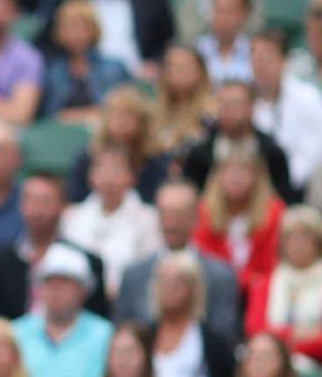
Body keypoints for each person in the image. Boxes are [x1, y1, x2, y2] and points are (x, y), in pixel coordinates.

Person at [118, 181, 242, 345]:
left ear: (195, 217)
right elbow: (122, 333)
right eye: (164, 214)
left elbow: (225, 336)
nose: (170, 224)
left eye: (179, 215)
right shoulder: (134, 275)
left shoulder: (220, 276)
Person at [0, 173, 113, 321]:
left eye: (45, 201)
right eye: (30, 199)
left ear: (63, 206)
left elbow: (98, 320)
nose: (36, 208)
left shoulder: (87, 262)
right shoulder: (0, 261)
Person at [61, 145, 160, 298]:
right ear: (90, 175)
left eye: (116, 168)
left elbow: (147, 271)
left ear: (132, 176)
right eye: (100, 167)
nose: (108, 175)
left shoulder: (149, 219)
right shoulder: (71, 216)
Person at [12, 244, 115, 377]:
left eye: (65, 283)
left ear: (83, 291)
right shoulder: (16, 333)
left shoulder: (106, 335)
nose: (56, 291)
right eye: (50, 283)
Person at [193, 142, 285, 291]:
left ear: (257, 178)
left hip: (261, 289)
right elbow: (204, 259)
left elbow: (273, 262)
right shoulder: (203, 213)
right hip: (216, 288)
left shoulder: (274, 213)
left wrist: (247, 281)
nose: (237, 179)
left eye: (243, 172)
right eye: (231, 172)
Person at [183, 80, 293, 203]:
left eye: (236, 104)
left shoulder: (272, 152)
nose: (229, 110)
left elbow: (285, 197)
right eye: (223, 104)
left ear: (252, 107)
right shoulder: (199, 154)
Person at [65, 86, 170, 204]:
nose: (121, 122)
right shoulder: (88, 156)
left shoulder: (154, 159)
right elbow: (76, 198)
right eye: (116, 115)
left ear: (142, 121)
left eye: (128, 115)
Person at [246, 206, 322, 362]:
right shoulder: (265, 283)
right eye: (292, 238)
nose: (298, 245)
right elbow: (255, 330)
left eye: (306, 238)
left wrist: (277, 336)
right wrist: (300, 334)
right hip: (272, 366)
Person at [252, 31, 322, 193]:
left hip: (299, 184)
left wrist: (286, 181)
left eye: (267, 57)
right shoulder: (244, 99)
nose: (259, 64)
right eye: (254, 56)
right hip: (254, 186)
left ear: (284, 61)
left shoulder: (308, 97)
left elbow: (315, 148)